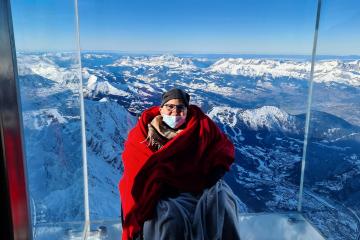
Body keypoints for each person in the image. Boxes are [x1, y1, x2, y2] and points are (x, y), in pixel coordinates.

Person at [119, 88, 242, 240]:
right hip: (160, 190)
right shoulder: (143, 133)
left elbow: (222, 147)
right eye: (170, 106)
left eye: (180, 107)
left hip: (197, 184)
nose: (175, 112)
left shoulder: (201, 126)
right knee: (171, 219)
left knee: (222, 202)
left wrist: (216, 170)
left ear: (187, 110)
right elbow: (135, 167)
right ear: (161, 108)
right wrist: (160, 186)